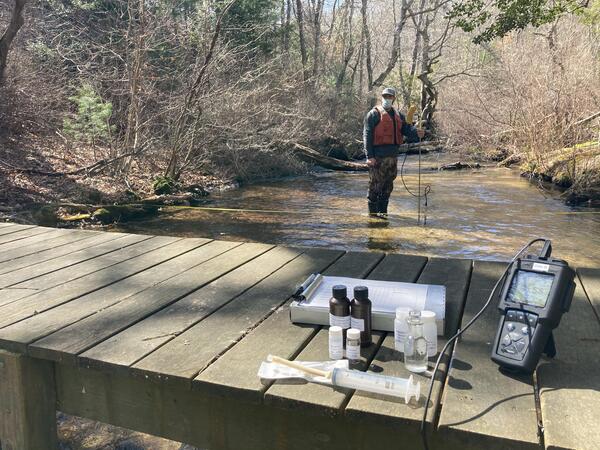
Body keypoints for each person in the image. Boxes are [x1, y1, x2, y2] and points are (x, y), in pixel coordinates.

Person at [363, 87, 425, 218]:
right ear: (382, 97)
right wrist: (370, 156)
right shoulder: (373, 114)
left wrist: (417, 132)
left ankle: (383, 214)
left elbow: (407, 130)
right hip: (377, 158)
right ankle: (372, 217)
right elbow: (367, 135)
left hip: (392, 157)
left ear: (394, 98)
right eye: (385, 96)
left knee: (387, 187)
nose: (387, 99)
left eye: (390, 97)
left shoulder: (399, 115)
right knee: (375, 186)